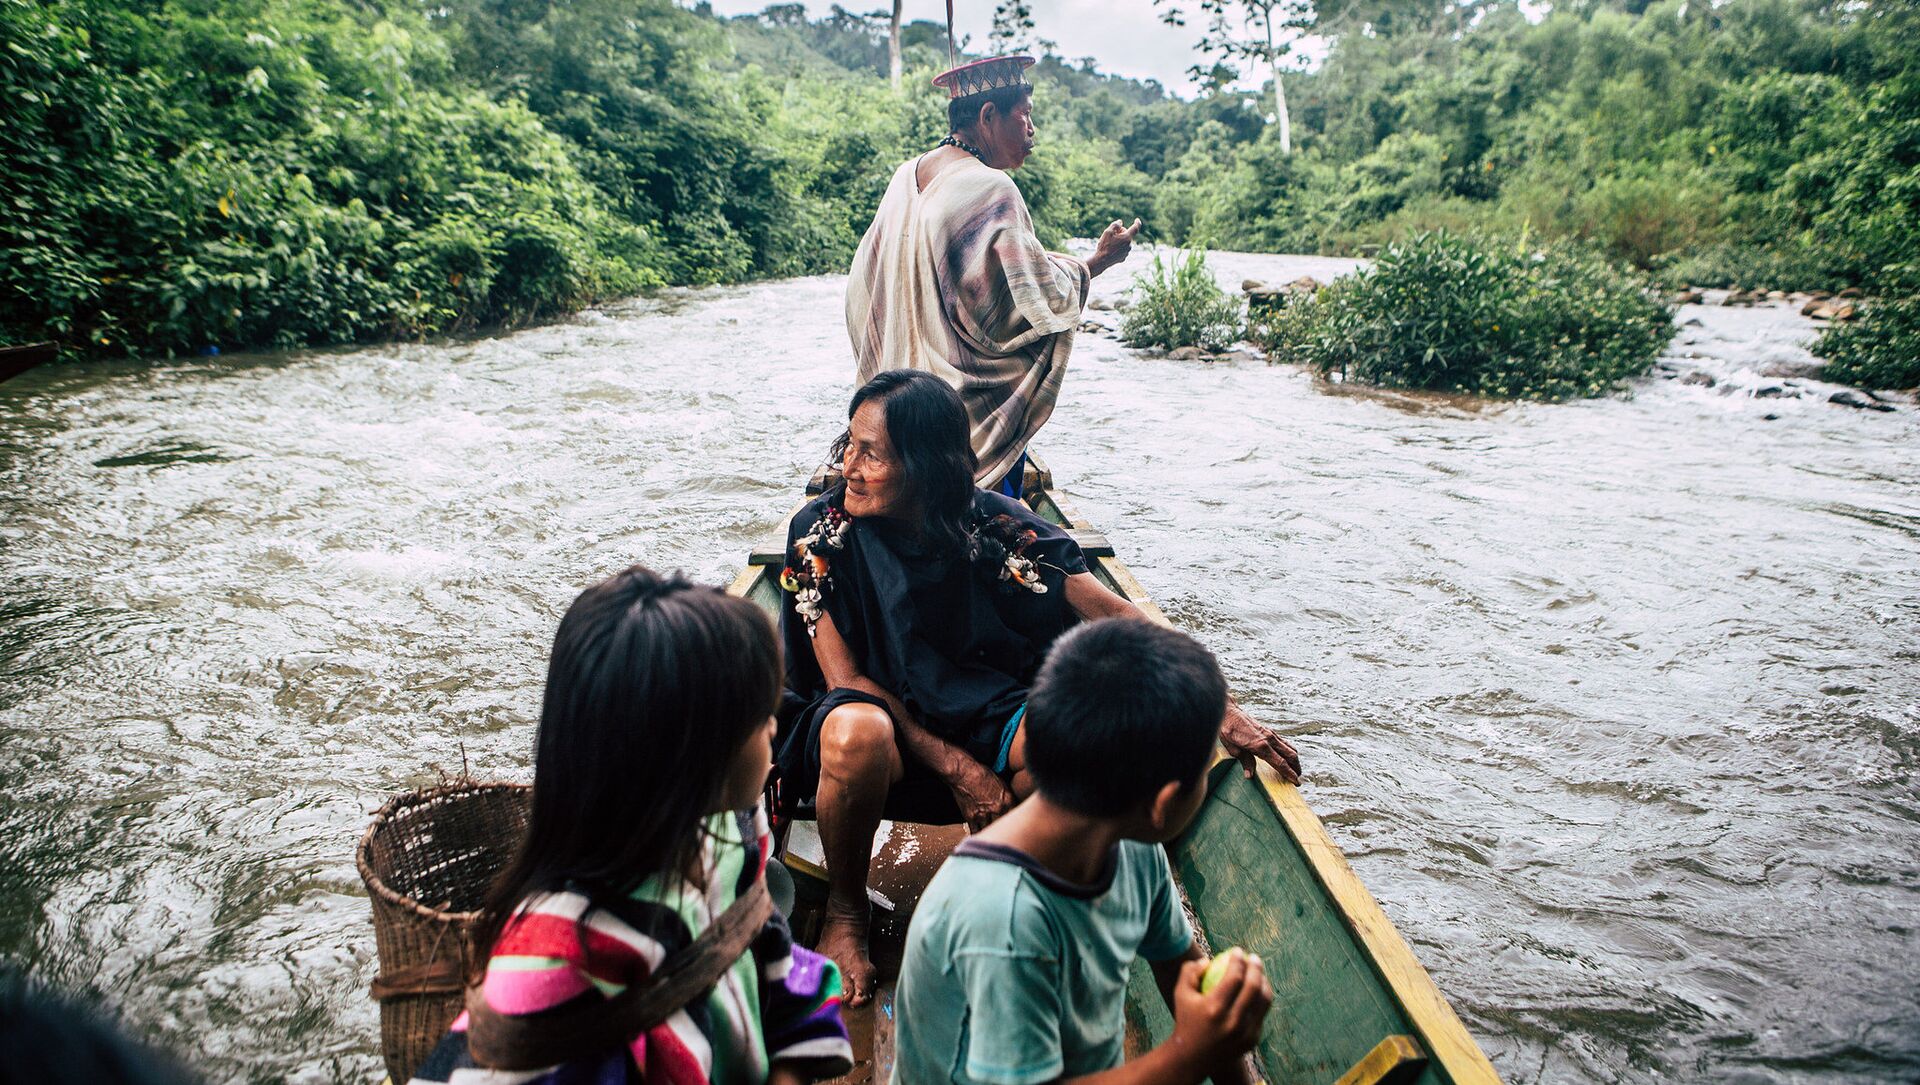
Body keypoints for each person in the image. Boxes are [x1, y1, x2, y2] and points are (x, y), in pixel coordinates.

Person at [776, 370, 1301, 1004]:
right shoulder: (818, 533)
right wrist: (960, 769)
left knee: (1073, 752)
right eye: (849, 446)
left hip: (983, 710)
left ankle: (1007, 892)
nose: (848, 469)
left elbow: (1110, 615)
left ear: (925, 468)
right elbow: (846, 681)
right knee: (854, 731)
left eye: (872, 455)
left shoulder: (996, 524)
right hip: (877, 731)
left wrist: (1219, 708)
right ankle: (846, 910)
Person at [409, 567, 852, 1085]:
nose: (774, 727)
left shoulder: (728, 838)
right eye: (760, 719)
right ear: (691, 757)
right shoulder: (558, 958)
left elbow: (772, 963)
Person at [890, 618, 1273, 1085]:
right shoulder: (1002, 919)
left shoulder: (1133, 851)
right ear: (1163, 804)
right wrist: (1188, 1055)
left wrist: (1218, 1039)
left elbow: (1182, 969)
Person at [844, 54, 1144, 498]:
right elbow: (1035, 302)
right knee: (994, 515)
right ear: (988, 116)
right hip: (958, 422)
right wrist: (1098, 261)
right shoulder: (992, 188)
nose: (1032, 129)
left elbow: (861, 292)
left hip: (898, 412)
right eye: (1025, 114)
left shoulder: (905, 176)